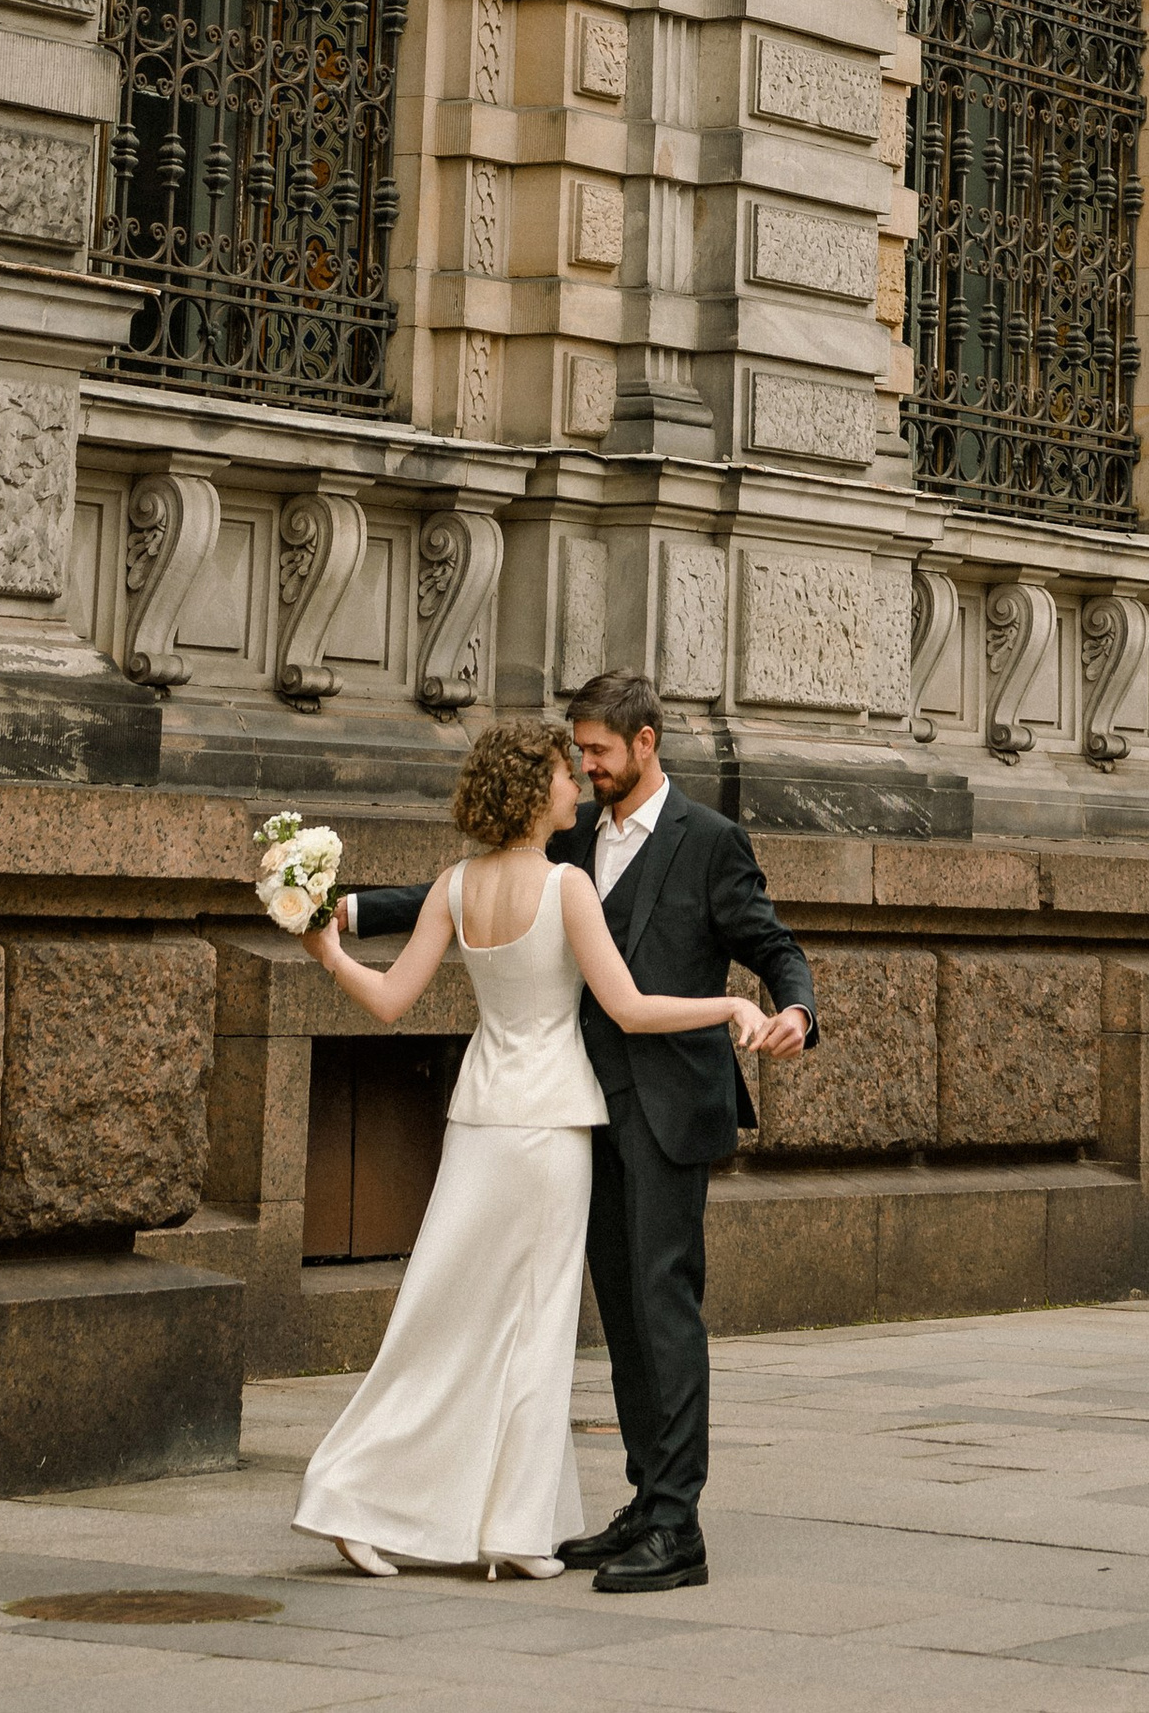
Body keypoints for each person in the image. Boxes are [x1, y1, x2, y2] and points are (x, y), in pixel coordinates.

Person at [334, 668, 817, 1595]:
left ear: (646, 744)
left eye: (598, 750)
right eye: (577, 751)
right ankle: (643, 1500)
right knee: (622, 1315)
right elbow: (466, 885)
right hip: (576, 1108)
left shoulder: (711, 840)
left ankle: (678, 1526)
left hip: (670, 1109)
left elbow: (772, 941)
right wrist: (341, 904)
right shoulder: (572, 833)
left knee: (663, 1302)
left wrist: (793, 1008)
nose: (585, 765)